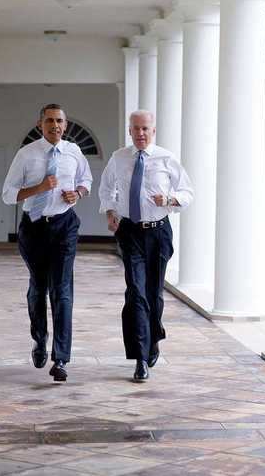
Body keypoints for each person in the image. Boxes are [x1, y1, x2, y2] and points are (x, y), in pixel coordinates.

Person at [99, 110, 194, 382]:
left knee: (154, 295)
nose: (140, 133)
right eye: (136, 128)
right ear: (130, 131)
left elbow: (188, 193)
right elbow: (106, 188)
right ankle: (140, 357)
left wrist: (169, 199)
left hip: (158, 232)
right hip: (129, 232)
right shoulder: (119, 158)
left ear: (153, 131)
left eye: (145, 129)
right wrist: (110, 211)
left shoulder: (166, 158)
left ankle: (153, 339)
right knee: (136, 293)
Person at [2, 103, 92, 382]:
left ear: (65, 125)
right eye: (50, 121)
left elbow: (86, 179)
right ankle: (39, 340)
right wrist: (39, 188)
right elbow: (7, 194)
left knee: (62, 290)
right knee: (38, 288)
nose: (55, 125)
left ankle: (61, 358)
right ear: (41, 124)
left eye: (60, 121)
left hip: (64, 226)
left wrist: (77, 192)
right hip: (34, 228)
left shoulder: (74, 152)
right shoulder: (26, 155)